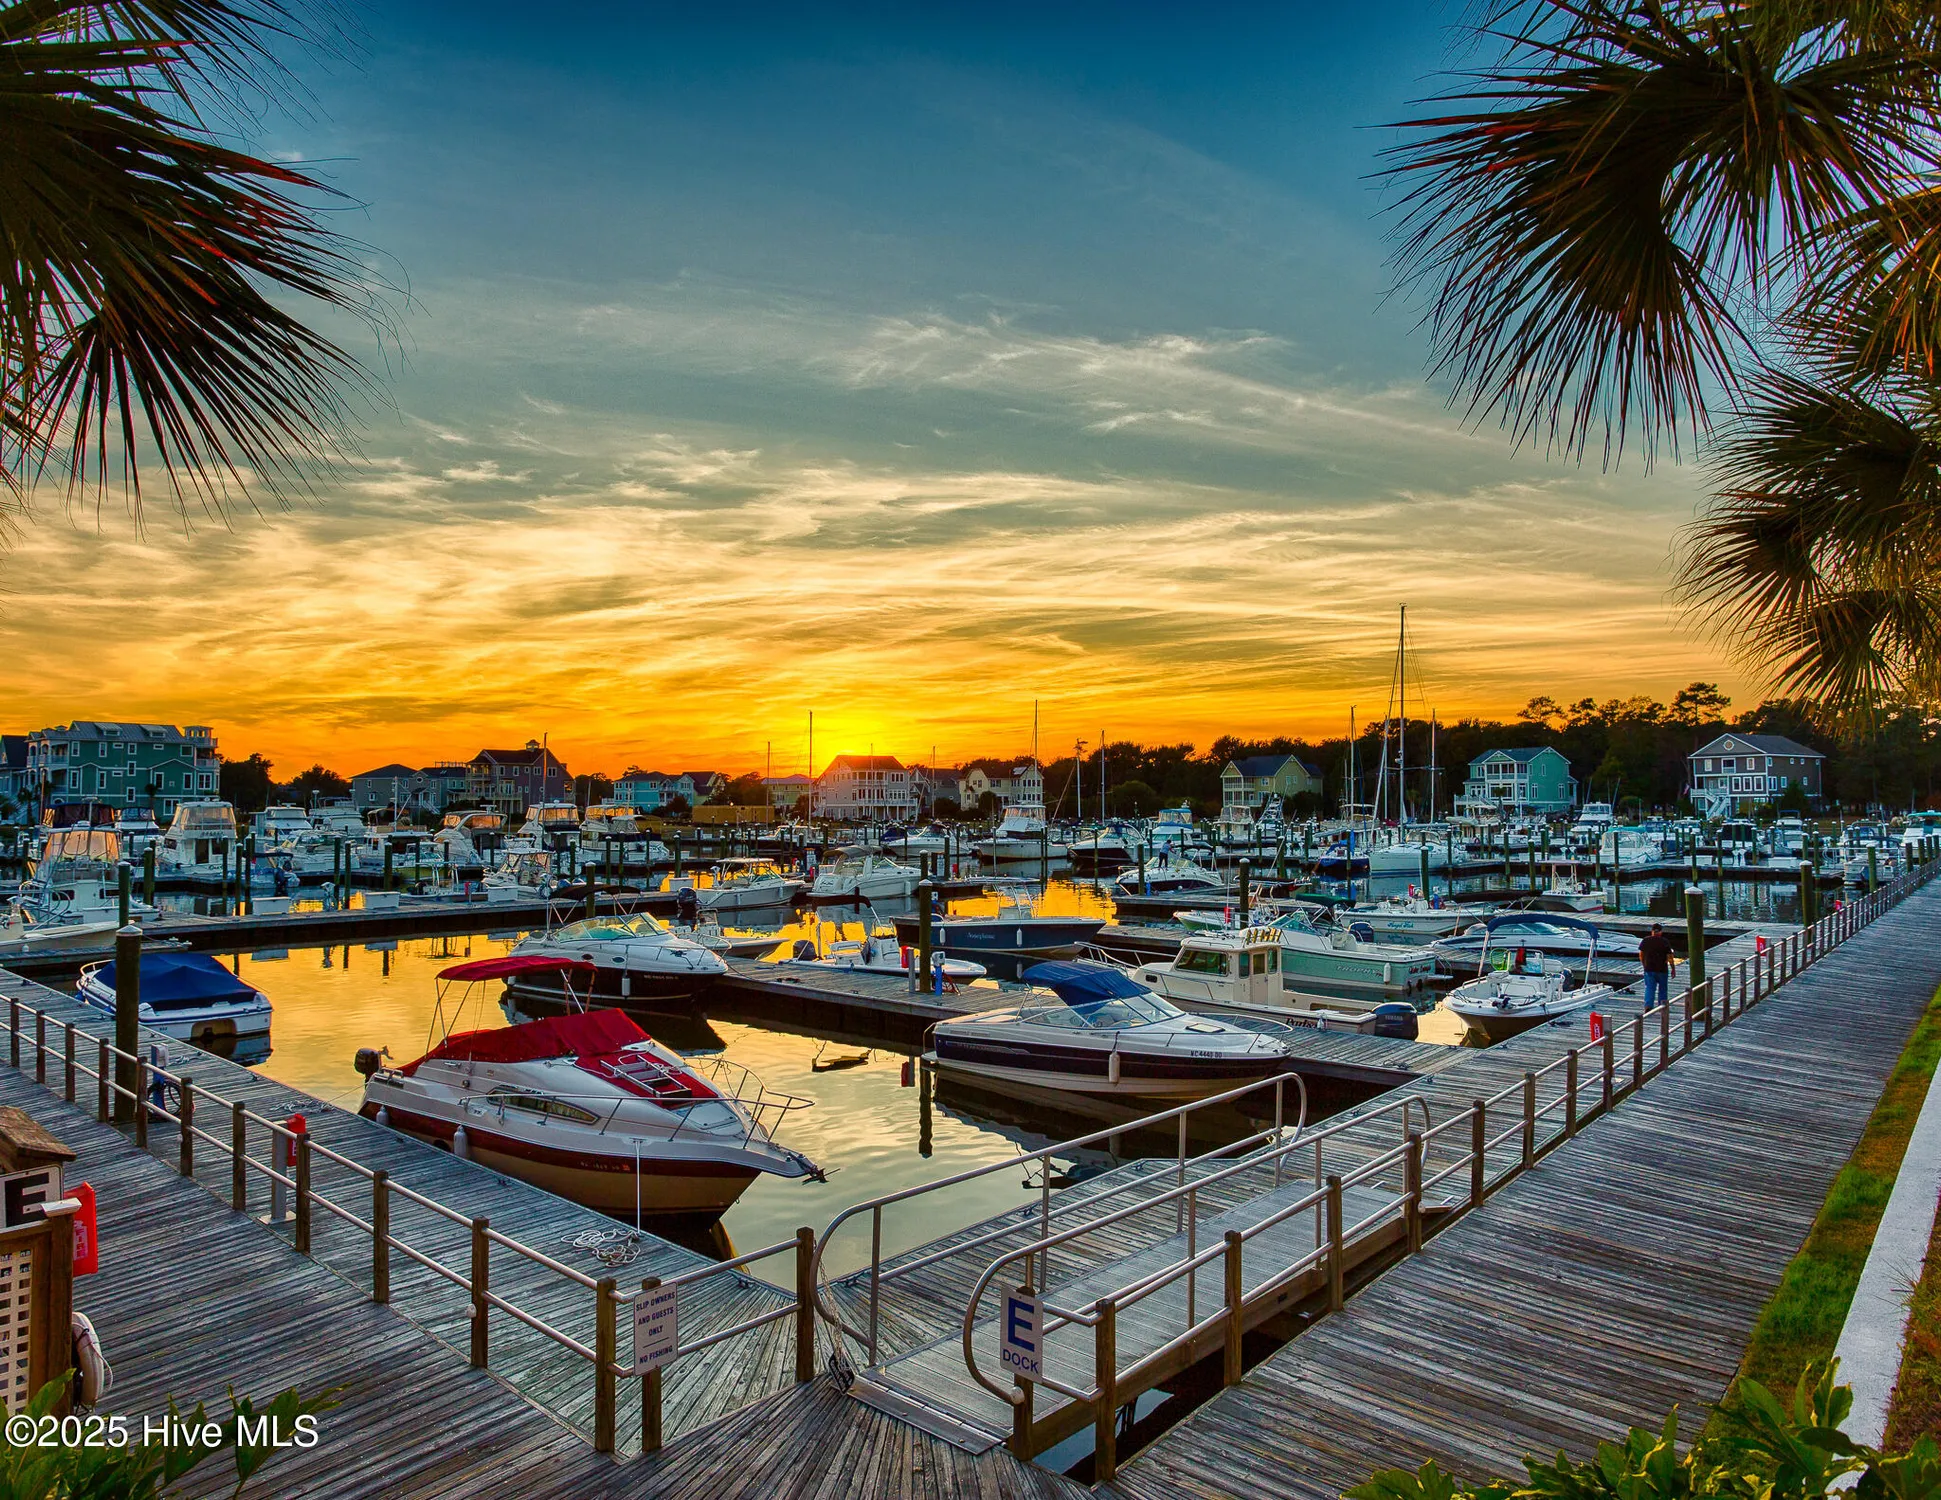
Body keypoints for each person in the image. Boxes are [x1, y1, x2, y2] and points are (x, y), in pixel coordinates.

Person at [1639, 921, 1675, 1012]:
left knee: (1649, 988)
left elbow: (1641, 954)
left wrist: (1644, 964)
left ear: (1652, 931)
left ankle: (1648, 1006)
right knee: (1663, 989)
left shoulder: (1646, 940)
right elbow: (1670, 957)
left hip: (1649, 969)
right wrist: (1673, 968)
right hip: (1662, 969)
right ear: (1660, 932)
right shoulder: (1664, 941)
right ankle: (1662, 1006)